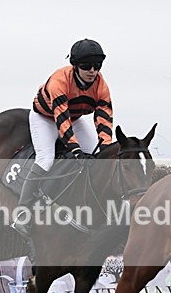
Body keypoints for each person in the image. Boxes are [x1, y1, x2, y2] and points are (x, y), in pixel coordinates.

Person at [13, 38, 114, 237]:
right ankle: (22, 214)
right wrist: (75, 149)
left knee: (99, 158)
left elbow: (104, 118)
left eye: (97, 65)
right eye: (86, 66)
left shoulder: (101, 85)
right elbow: (61, 118)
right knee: (46, 159)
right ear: (75, 66)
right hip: (45, 118)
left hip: (74, 118)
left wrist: (105, 146)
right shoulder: (60, 80)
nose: (92, 70)